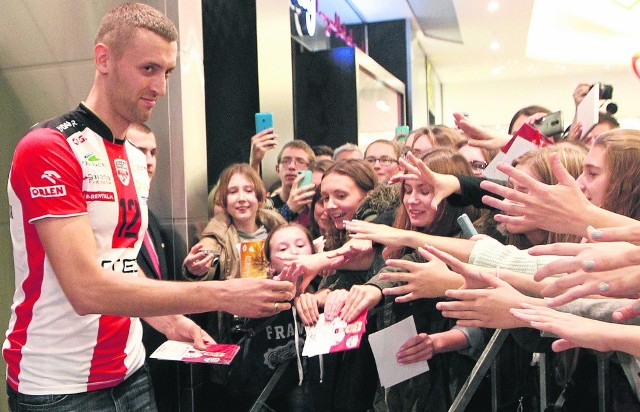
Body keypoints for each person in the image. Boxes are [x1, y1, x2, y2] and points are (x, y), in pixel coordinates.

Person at [3, 4, 294, 411]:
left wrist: (168, 320)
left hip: (131, 372)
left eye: (168, 72)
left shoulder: (135, 158)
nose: (160, 86)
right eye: (148, 69)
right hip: (60, 387)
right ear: (103, 58)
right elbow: (85, 288)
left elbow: (120, 261)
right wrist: (223, 294)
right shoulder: (49, 148)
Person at [181, 163, 286, 339]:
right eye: (233, 192)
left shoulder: (278, 230)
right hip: (235, 330)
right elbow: (203, 276)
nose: (241, 198)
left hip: (278, 323)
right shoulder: (215, 238)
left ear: (260, 197)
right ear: (223, 200)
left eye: (248, 190)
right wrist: (194, 271)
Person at [127, 123, 178, 411]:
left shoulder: (150, 218)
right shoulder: (106, 218)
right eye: (139, 151)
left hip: (155, 355)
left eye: (153, 152)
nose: (148, 161)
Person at [269, 140, 316, 225]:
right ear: (277, 169)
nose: (291, 166)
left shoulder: (316, 204)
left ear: (310, 170)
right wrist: (288, 209)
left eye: (300, 162)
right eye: (286, 161)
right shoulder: (268, 205)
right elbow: (266, 235)